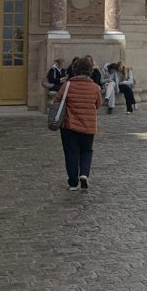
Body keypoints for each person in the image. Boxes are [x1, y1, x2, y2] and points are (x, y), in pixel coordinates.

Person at [54, 56, 102, 191]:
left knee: (71, 153)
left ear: (75, 70)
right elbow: (98, 105)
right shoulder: (95, 87)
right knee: (86, 151)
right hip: (89, 125)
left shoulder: (67, 85)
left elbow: (57, 101)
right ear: (90, 71)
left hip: (69, 126)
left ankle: (73, 182)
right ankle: (84, 174)